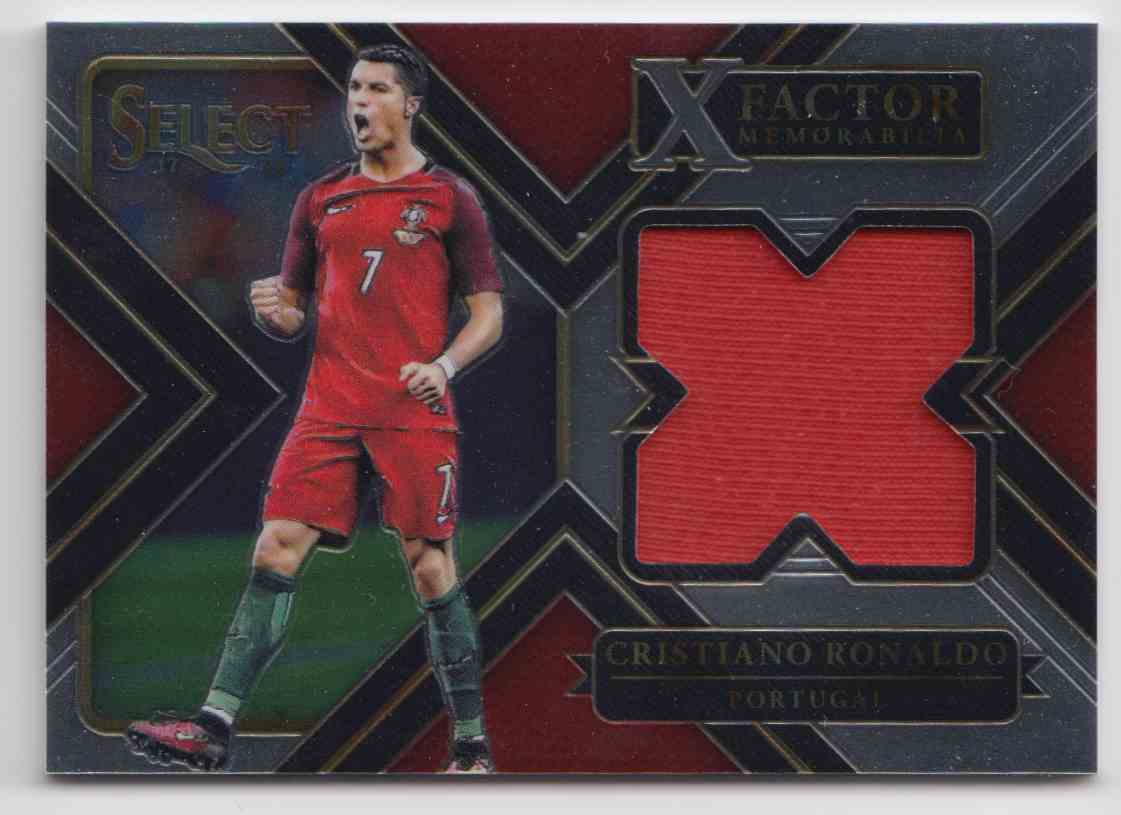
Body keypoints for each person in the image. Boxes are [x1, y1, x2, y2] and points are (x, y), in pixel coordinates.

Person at [126, 43, 505, 774]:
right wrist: (276, 314)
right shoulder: (319, 198)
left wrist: (444, 365)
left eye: (378, 89)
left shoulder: (449, 198)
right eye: (354, 88)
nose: (360, 102)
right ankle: (212, 726)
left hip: (410, 410)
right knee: (275, 547)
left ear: (410, 104)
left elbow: (488, 313)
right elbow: (294, 311)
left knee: (430, 568)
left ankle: (470, 748)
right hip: (328, 409)